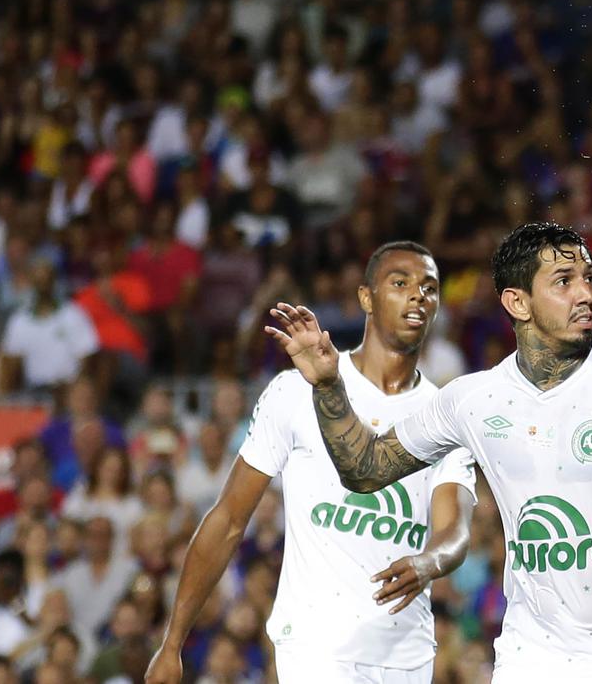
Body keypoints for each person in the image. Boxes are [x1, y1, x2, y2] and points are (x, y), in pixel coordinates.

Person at [267, 222, 592, 683]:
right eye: (563, 281)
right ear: (517, 302)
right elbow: (364, 469)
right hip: (530, 660)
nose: (586, 293)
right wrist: (330, 386)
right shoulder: (474, 399)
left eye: (588, 278)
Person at [146, 241, 477, 684]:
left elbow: (454, 531)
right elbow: (227, 518)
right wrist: (172, 642)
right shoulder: (294, 390)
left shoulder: (445, 414)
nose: (418, 295)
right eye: (400, 283)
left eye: (430, 287)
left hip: (406, 655)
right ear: (366, 298)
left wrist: (429, 562)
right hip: (315, 648)